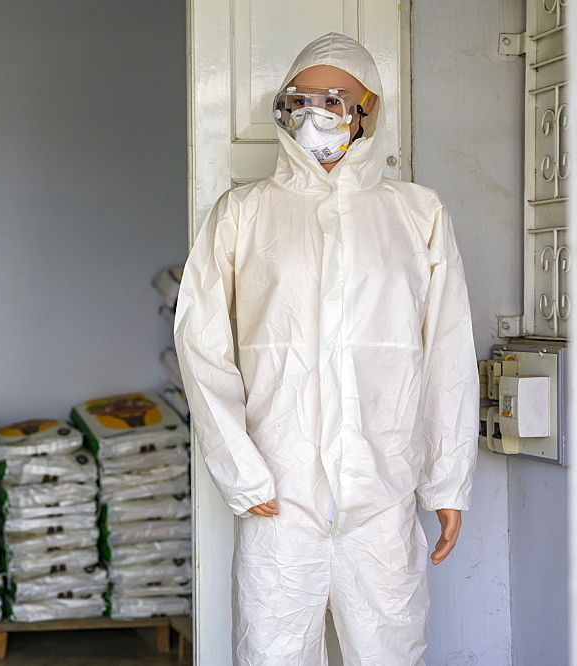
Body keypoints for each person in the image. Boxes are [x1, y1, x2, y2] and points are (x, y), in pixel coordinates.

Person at [174, 32, 478, 665]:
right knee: (273, 652)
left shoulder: (416, 213)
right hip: (280, 497)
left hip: (383, 492)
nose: (318, 113)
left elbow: (447, 348)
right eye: (303, 99)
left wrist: (446, 482)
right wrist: (240, 469)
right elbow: (200, 348)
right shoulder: (244, 213)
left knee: (391, 651)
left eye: (336, 99)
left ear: (371, 107)